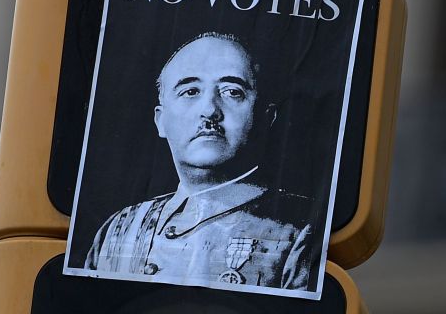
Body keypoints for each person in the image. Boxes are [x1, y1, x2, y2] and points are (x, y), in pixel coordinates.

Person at [82, 32, 316, 291]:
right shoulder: (118, 229)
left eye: (232, 92)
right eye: (190, 91)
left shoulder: (302, 231)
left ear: (265, 117)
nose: (209, 110)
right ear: (161, 120)